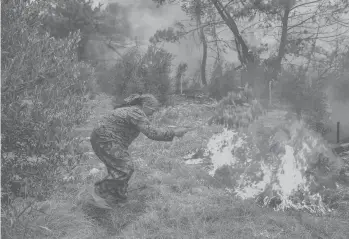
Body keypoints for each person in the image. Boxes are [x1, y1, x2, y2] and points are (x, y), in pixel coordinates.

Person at [89, 93, 191, 209]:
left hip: (101, 138)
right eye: (153, 110)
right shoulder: (136, 112)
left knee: (119, 169)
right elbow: (152, 133)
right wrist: (175, 133)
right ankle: (97, 192)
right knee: (125, 168)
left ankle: (118, 200)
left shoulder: (131, 111)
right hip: (105, 139)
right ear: (145, 105)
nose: (153, 113)